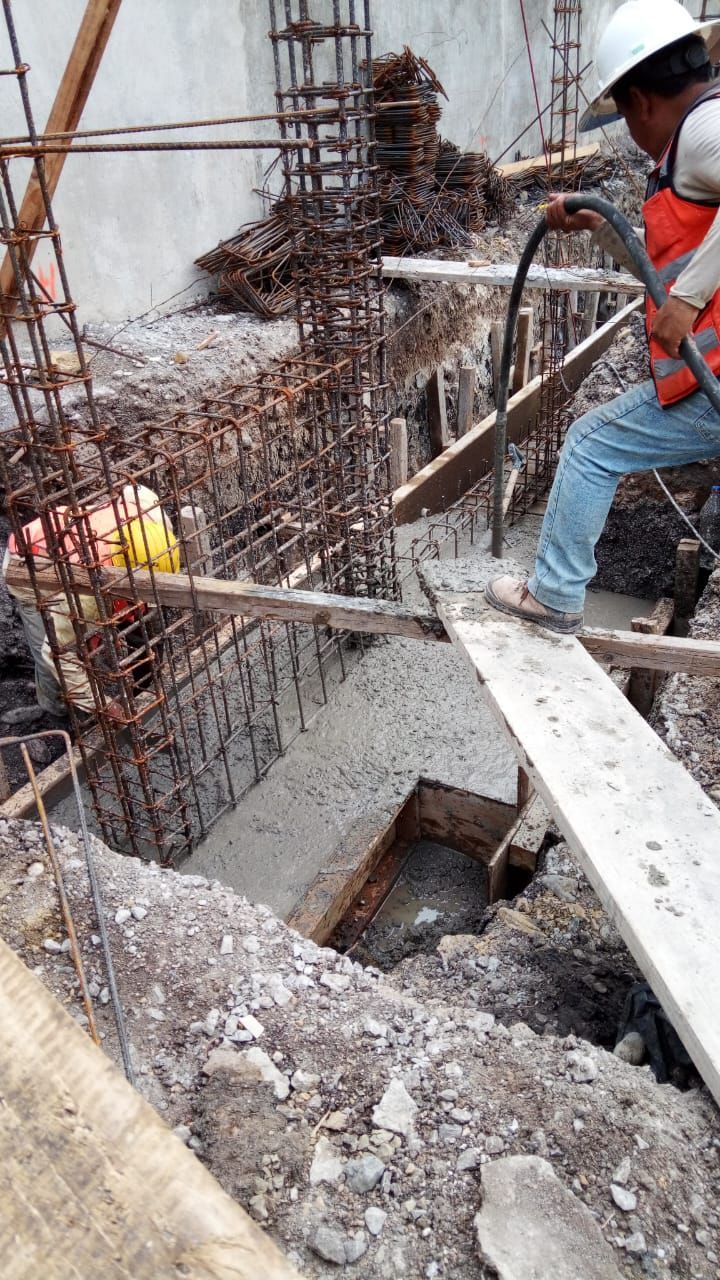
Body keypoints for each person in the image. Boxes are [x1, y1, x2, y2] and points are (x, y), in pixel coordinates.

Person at [486, 0, 720, 634]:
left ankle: (554, 596)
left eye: (624, 115)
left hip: (713, 384)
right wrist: (608, 230)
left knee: (590, 443)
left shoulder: (702, 131)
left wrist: (690, 300)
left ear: (641, 100)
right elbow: (666, 265)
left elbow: (684, 285)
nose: (630, 131)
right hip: (710, 373)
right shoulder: (693, 150)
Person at [2, 484, 179, 717]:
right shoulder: (88, 588)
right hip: (28, 564)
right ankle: (56, 709)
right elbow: (57, 652)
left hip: (71, 548)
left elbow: (137, 491)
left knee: (104, 618)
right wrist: (102, 706)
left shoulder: (151, 526)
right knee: (51, 646)